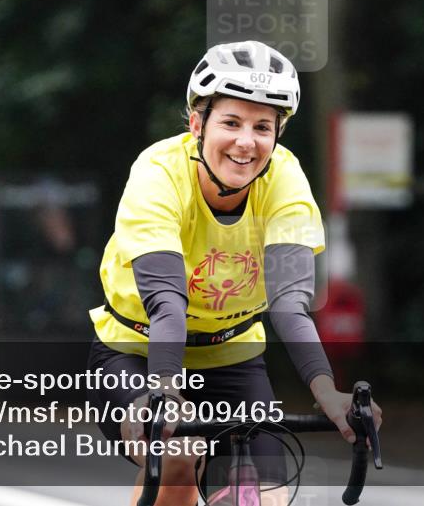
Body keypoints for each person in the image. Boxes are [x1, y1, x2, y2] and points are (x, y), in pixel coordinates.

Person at [87, 41, 381, 506]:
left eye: (263, 126)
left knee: (264, 498)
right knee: (179, 455)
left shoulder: (284, 179)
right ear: (197, 124)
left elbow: (289, 302)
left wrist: (329, 393)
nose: (247, 142)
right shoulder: (157, 174)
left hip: (231, 356)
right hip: (139, 351)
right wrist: (165, 389)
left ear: (278, 133)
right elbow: (166, 299)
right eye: (231, 122)